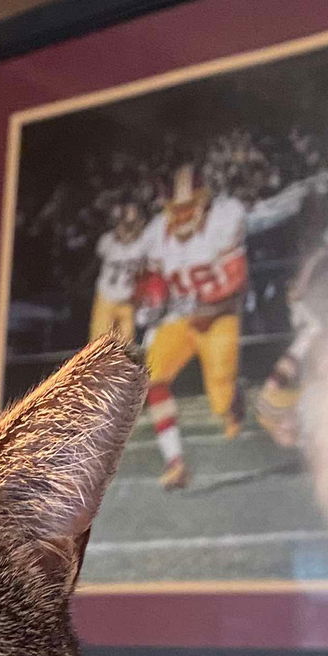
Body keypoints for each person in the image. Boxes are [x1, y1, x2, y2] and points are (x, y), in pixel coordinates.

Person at [135, 165, 250, 490]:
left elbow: (238, 284)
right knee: (153, 379)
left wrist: (210, 307)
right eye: (176, 209)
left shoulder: (225, 220)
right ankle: (176, 463)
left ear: (203, 202)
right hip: (179, 316)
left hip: (218, 312)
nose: (182, 215)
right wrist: (151, 296)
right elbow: (151, 280)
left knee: (220, 400)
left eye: (188, 207)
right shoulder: (158, 231)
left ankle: (232, 401)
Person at [88, 200, 148, 344]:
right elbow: (95, 264)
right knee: (99, 345)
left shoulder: (144, 243)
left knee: (125, 348)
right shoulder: (107, 241)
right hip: (106, 298)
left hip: (129, 301)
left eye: (132, 223)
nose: (127, 228)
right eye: (124, 223)